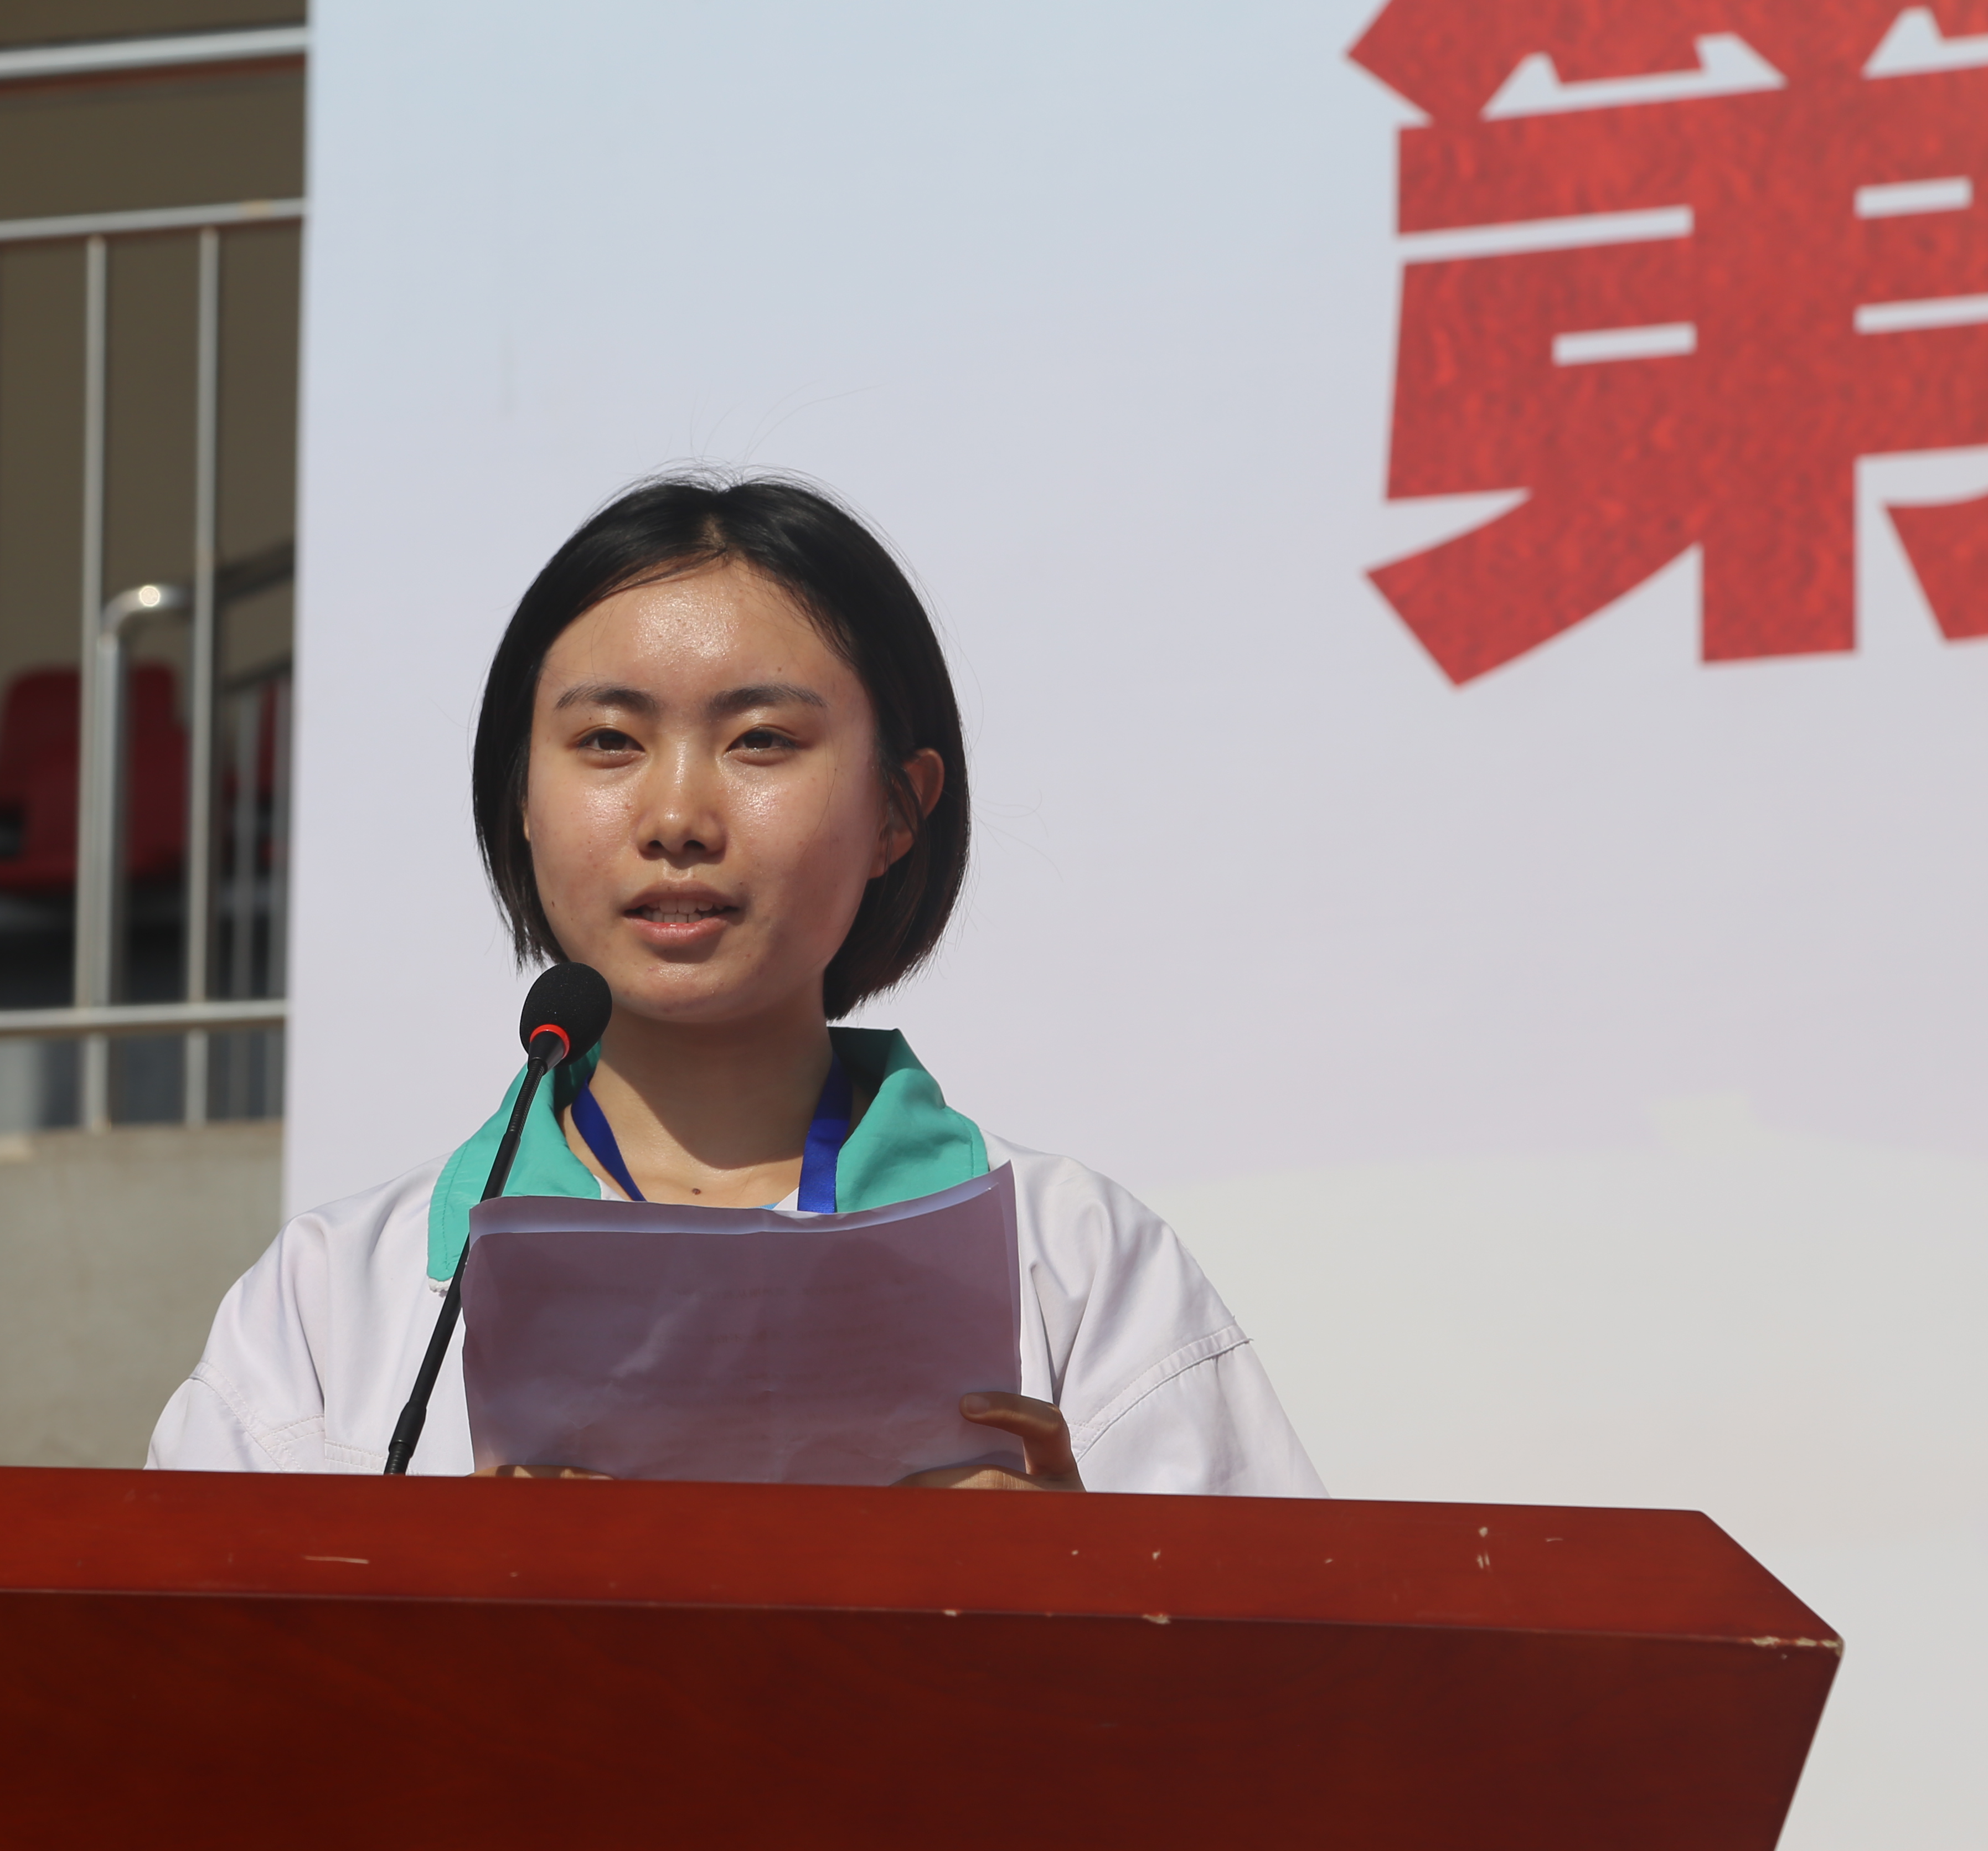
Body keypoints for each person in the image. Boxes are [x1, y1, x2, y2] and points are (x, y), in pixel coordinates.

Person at [147, 475, 1321, 1495]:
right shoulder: (333, 1302)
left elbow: (1267, 1672)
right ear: (522, 799)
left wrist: (1069, 1586)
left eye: (761, 740)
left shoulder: (1077, 1263)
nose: (677, 818)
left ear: (898, 810)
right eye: (609, 742)